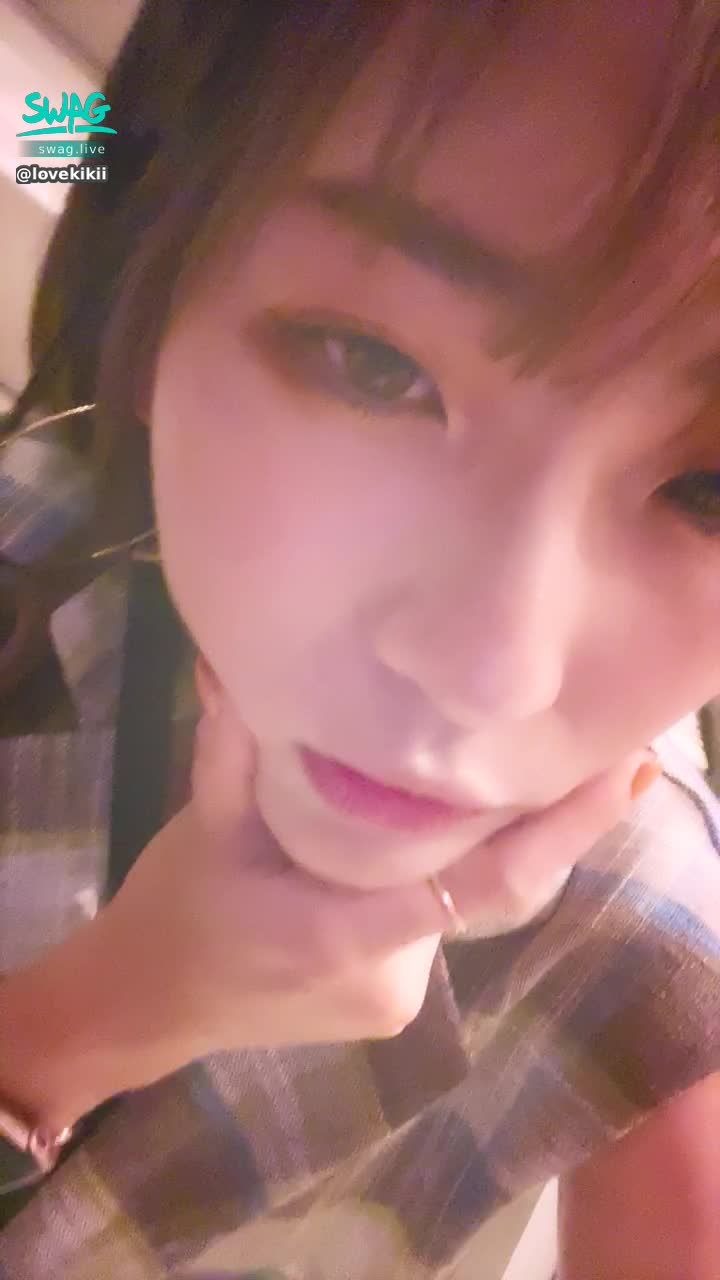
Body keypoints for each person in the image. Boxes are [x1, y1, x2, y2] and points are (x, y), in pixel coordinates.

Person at [0, 1, 719, 1275]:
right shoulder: (30, 539)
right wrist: (94, 1017)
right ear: (158, 282)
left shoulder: (652, 962)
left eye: (710, 490)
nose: (490, 670)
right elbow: (65, 132)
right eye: (376, 364)